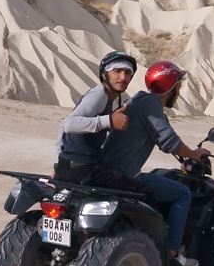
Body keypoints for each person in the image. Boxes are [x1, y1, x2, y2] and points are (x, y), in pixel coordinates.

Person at [102, 60, 211, 266]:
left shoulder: (140, 101)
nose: (179, 92)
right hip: (125, 176)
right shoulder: (151, 104)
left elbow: (166, 136)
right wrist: (195, 155)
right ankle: (173, 252)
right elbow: (169, 142)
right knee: (182, 193)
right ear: (169, 87)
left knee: (157, 179)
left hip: (110, 172)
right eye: (178, 86)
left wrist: (186, 151)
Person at [53, 50, 150, 193]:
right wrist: (109, 120)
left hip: (69, 168)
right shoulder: (99, 95)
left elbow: (64, 125)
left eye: (127, 73)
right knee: (144, 192)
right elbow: (70, 125)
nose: (123, 77)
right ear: (105, 74)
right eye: (117, 71)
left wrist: (59, 166)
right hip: (85, 170)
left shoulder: (108, 98)